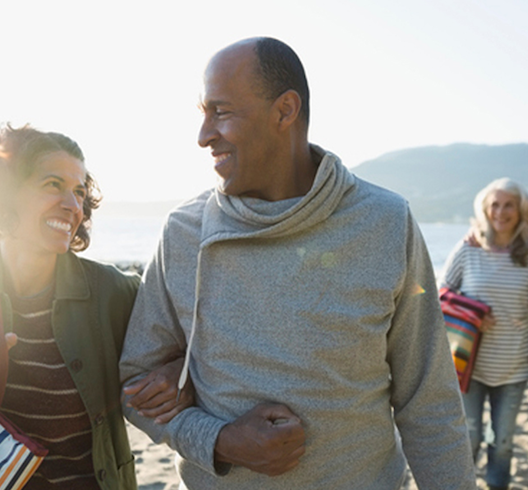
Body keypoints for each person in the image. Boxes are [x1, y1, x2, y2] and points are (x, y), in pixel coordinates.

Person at [118, 37, 474, 490]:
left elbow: (429, 402)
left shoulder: (385, 222)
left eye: (221, 112)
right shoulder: (184, 232)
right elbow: (136, 386)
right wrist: (221, 440)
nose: (204, 135)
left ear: (285, 111)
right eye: (203, 113)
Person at [0, 124, 189, 490]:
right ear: (5, 193)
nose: (73, 205)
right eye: (52, 185)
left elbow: (189, 343)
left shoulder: (113, 292)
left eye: (79, 192)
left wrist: (175, 371)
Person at [440, 178, 528, 490]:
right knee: (468, 440)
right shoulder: (469, 247)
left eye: (508, 204)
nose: (501, 211)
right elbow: (440, 293)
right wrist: (472, 314)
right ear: (485, 209)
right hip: (468, 366)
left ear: (520, 209)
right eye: (494, 205)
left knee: (502, 444)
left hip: (514, 367)